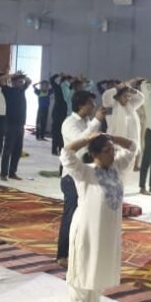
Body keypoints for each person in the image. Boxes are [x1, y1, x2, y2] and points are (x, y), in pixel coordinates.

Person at [60, 132, 137, 302]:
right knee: (81, 274)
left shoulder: (117, 168)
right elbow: (66, 152)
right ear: (95, 154)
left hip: (107, 233)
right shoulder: (85, 172)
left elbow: (133, 147)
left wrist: (112, 137)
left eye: (113, 150)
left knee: (98, 273)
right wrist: (87, 139)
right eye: (107, 150)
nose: (112, 153)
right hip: (86, 231)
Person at [56, 90, 106, 266]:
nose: (94, 106)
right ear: (80, 105)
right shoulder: (69, 123)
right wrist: (97, 121)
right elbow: (80, 140)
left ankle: (78, 252)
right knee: (70, 216)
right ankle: (62, 255)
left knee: (85, 216)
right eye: (91, 103)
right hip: (71, 177)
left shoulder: (86, 122)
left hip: (86, 174)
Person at [102, 82, 145, 176]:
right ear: (118, 97)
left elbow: (141, 99)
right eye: (125, 96)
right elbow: (106, 96)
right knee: (115, 170)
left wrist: (134, 91)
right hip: (116, 143)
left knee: (125, 173)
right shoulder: (112, 106)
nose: (128, 99)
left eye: (129, 96)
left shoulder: (131, 107)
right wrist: (117, 88)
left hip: (128, 144)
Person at [0, 71, 30, 181]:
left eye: (22, 82)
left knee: (17, 150)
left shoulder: (22, 90)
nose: (22, 83)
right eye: (19, 82)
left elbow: (29, 81)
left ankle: (12, 172)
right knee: (8, 150)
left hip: (21, 125)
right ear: (13, 82)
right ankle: (3, 174)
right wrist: (13, 75)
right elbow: (1, 80)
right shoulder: (8, 91)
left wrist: (23, 76)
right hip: (11, 124)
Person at [49, 73, 70, 155]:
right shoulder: (57, 87)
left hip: (64, 112)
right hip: (57, 113)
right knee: (56, 132)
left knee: (62, 132)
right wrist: (58, 74)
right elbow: (51, 80)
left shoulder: (68, 89)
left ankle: (60, 148)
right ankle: (54, 149)